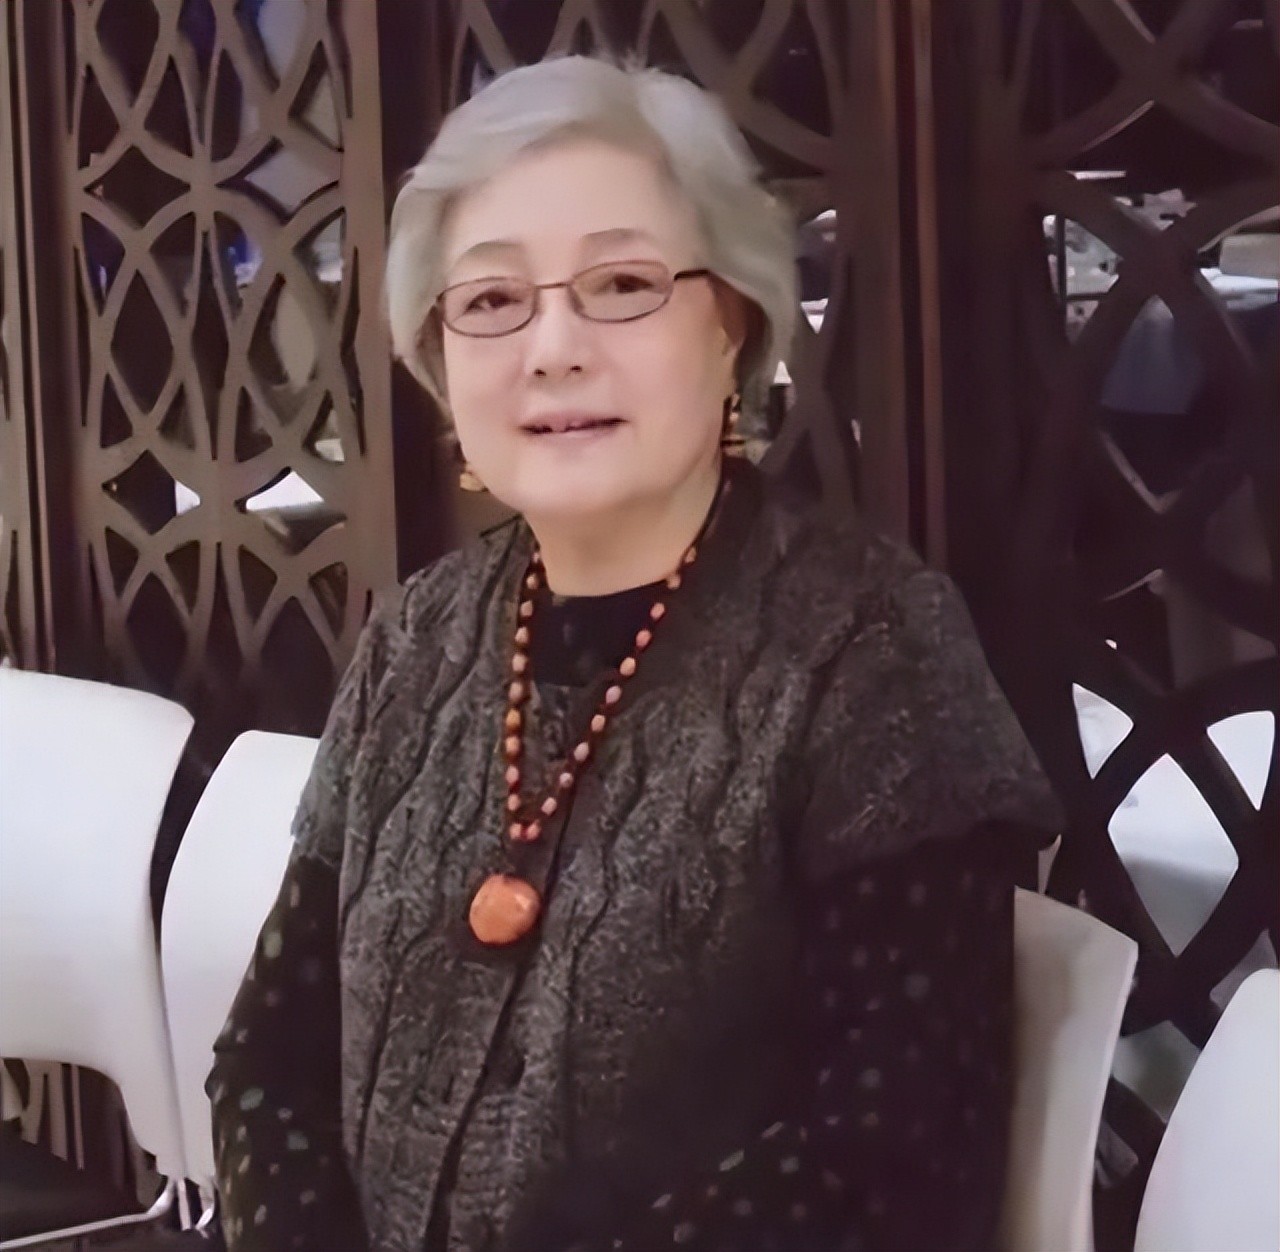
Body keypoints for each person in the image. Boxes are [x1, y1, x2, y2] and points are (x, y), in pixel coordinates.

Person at [208, 55, 1062, 1252]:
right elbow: (268, 1055)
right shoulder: (416, 639)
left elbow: (894, 1144)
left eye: (620, 283)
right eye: (491, 300)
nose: (551, 348)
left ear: (731, 328)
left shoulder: (867, 651)